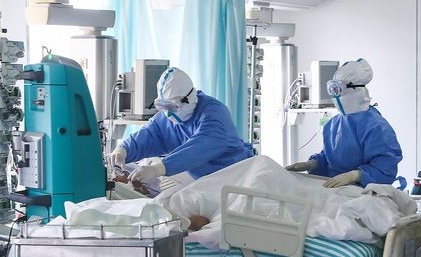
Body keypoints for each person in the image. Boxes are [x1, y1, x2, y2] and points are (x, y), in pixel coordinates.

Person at [106, 67, 254, 184]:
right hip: (201, 178)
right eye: (162, 107)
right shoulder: (168, 119)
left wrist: (158, 168)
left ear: (187, 99)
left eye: (171, 107)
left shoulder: (214, 115)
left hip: (235, 177)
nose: (168, 115)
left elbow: (198, 149)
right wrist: (123, 150)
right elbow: (149, 134)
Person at [286, 58, 402, 188]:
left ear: (356, 90)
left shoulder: (376, 127)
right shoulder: (333, 124)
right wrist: (312, 164)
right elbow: (330, 158)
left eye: (337, 89)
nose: (334, 96)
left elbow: (386, 168)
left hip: (364, 195)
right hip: (337, 193)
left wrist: (355, 176)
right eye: (331, 89)